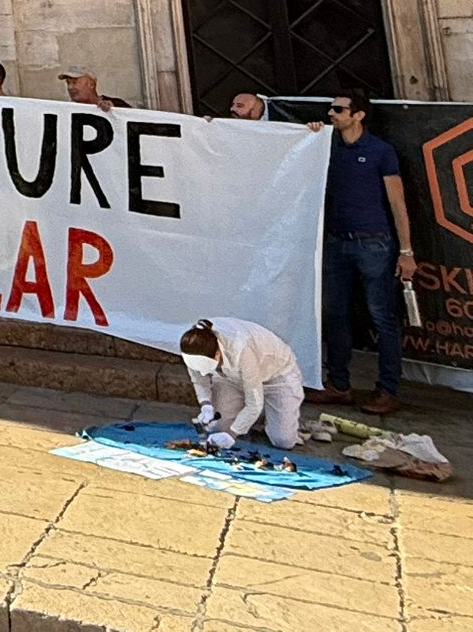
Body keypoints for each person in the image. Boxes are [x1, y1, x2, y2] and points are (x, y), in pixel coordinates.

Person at [316, 90, 416, 416]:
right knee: (335, 314)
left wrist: (406, 251)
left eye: (339, 109)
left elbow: (397, 203)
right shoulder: (326, 147)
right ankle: (339, 384)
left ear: (358, 115)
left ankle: (388, 389)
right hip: (336, 241)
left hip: (373, 242)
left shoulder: (379, 151)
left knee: (382, 316)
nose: (332, 114)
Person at [178, 317, 305, 451]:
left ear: (217, 354)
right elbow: (199, 380)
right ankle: (259, 416)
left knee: (283, 440)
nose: (203, 373)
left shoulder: (242, 349)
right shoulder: (192, 347)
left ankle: (272, 415)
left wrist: (232, 435)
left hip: (277, 376)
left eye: (207, 368)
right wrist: (206, 405)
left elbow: (254, 403)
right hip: (230, 378)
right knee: (219, 428)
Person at [59, 71, 129, 110]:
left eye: (75, 82)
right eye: (68, 83)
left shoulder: (117, 104)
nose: (70, 87)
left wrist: (116, 112)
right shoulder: (67, 111)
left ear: (91, 84)